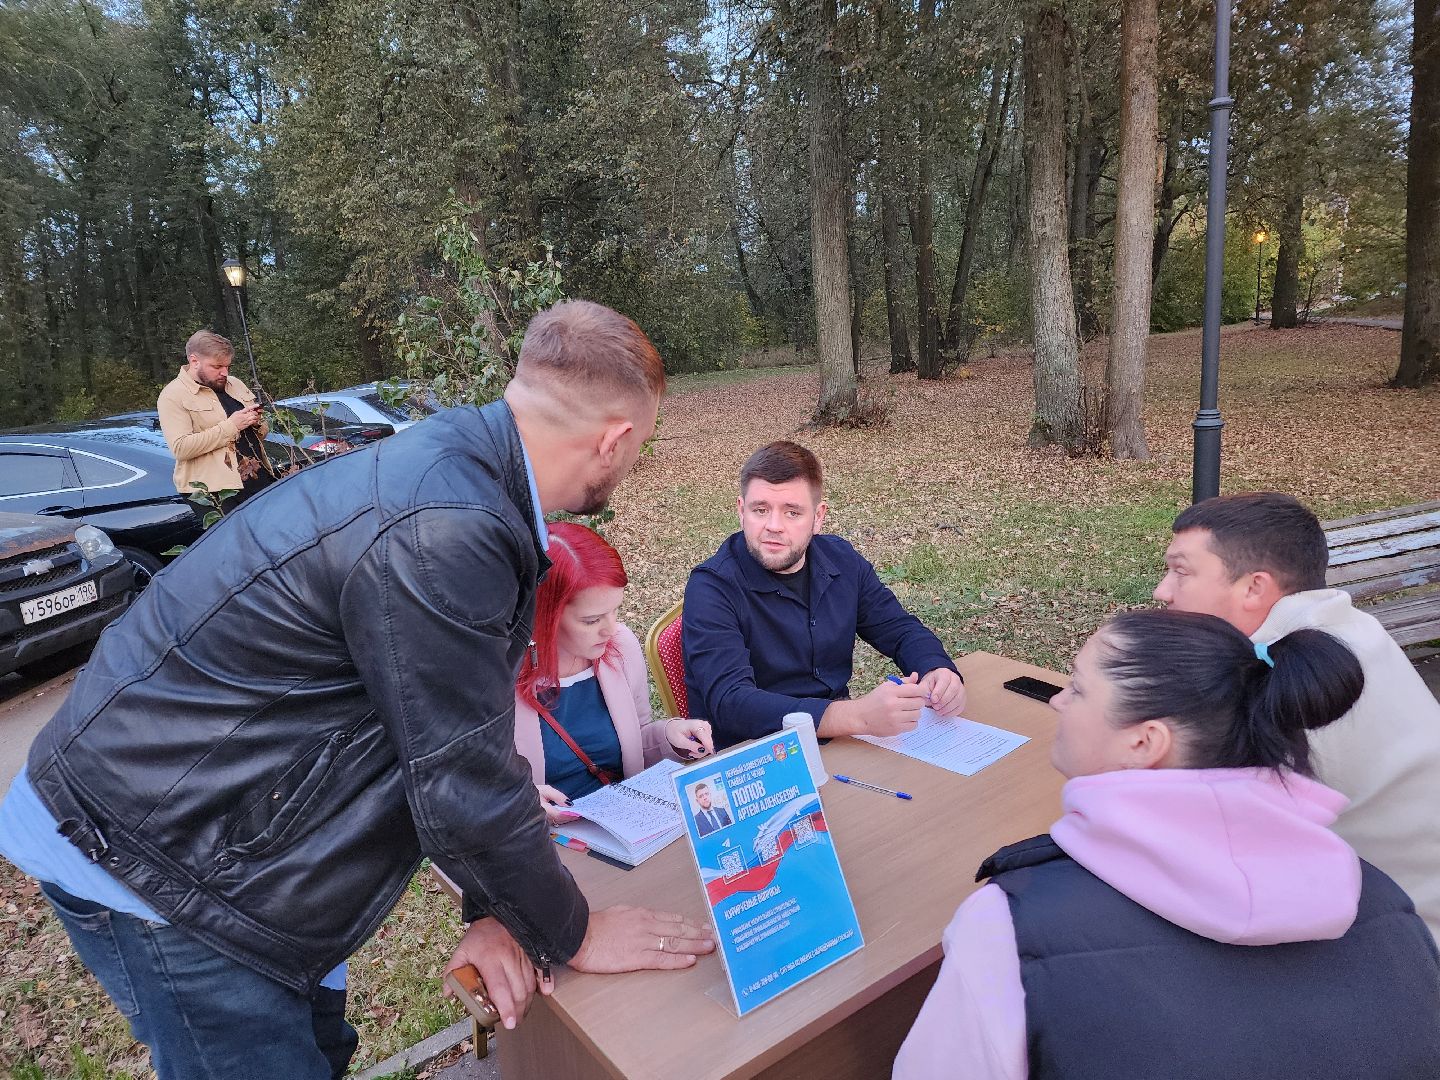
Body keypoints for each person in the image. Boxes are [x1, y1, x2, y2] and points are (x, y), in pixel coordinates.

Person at [0, 300, 715, 1080]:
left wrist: (501, 911)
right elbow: (464, 779)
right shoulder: (448, 525)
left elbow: (445, 728)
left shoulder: (459, 472)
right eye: (640, 446)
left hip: (222, 826)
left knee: (321, 1049)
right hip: (156, 850)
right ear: (614, 438)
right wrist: (572, 932)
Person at [894, 609, 1440, 1080]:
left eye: (1078, 689)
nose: (1058, 700)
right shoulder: (1380, 896)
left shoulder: (1006, 926)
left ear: (1144, 742)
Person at [1154, 491, 1440, 942]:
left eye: (1181, 572)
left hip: (1404, 941)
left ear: (1254, 587)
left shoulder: (1279, 687)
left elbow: (1199, 845)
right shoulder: (1348, 632)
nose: (1162, 591)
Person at [684, 441, 965, 749]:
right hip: (756, 755)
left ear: (818, 518)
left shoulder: (841, 559)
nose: (774, 526)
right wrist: (858, 717)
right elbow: (731, 703)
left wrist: (936, 668)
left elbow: (899, 629)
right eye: (760, 510)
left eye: (792, 512)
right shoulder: (711, 587)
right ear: (741, 511)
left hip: (838, 744)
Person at [512, 521, 713, 824]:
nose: (610, 629)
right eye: (591, 620)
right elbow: (471, 786)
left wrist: (670, 736)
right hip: (545, 838)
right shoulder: (498, 675)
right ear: (544, 615)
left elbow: (637, 739)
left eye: (615, 610)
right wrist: (520, 801)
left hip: (627, 824)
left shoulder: (621, 647)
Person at [156, 329, 277, 513]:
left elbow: (260, 433)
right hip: (216, 493)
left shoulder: (236, 384)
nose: (224, 373)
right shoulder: (172, 395)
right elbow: (181, 448)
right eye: (217, 366)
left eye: (228, 366)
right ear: (194, 361)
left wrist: (256, 422)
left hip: (257, 478)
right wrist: (231, 426)